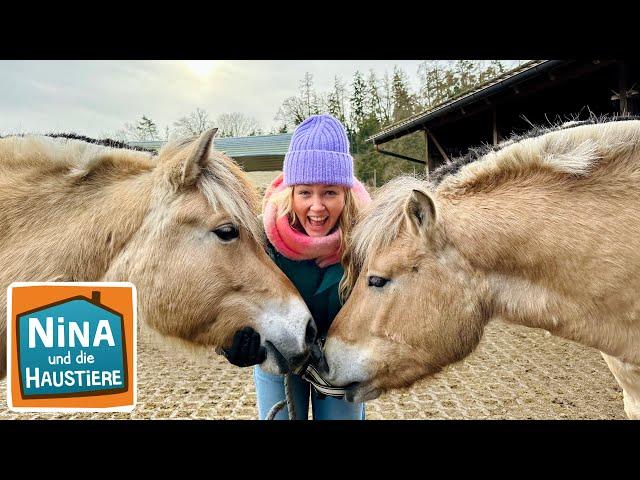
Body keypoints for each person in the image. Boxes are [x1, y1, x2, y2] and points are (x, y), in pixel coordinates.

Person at [223, 114, 371, 419]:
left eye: (329, 192)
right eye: (305, 192)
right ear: (291, 193)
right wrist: (230, 341)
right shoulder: (262, 239)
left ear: (346, 193)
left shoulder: (368, 240)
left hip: (341, 362)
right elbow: (231, 291)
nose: (316, 207)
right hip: (279, 361)